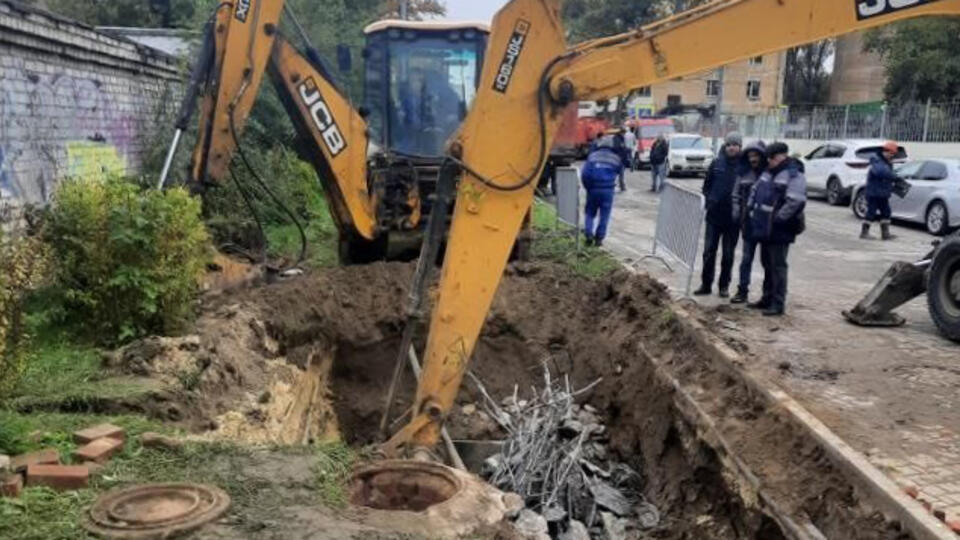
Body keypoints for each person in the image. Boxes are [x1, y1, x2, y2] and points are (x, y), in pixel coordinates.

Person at [746, 142, 807, 316]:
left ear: (782, 156)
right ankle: (766, 298)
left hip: (781, 228)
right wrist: (751, 207)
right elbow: (756, 188)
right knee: (767, 263)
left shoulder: (794, 174)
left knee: (778, 266)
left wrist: (779, 218)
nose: (769, 161)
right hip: (764, 227)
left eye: (772, 158)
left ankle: (778, 303)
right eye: (768, 158)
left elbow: (795, 201)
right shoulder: (768, 171)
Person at [694, 132, 743, 298]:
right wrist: (709, 201)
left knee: (728, 255)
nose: (731, 147)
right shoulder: (716, 163)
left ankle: (724, 286)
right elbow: (706, 185)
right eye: (729, 144)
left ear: (739, 147)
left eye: (735, 145)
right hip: (714, 217)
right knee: (709, 252)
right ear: (725, 146)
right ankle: (706, 284)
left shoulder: (744, 167)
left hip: (733, 220)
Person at [730, 141, 767, 304]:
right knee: (746, 259)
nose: (753, 158)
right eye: (751, 155)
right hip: (748, 224)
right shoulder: (743, 173)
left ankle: (767, 295)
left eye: (756, 155)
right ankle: (742, 290)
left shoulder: (768, 173)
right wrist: (736, 211)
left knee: (768, 262)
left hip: (766, 224)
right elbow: (736, 195)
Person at [581, 134, 626, 247]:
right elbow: (620, 170)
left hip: (593, 189)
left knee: (590, 213)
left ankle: (588, 234)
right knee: (604, 215)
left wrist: (588, 187)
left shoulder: (592, 157)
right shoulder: (615, 158)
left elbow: (585, 174)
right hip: (608, 190)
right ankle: (599, 238)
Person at [861, 141, 900, 240]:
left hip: (883, 193)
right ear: (885, 152)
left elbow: (887, 174)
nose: (892, 156)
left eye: (893, 154)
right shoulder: (877, 161)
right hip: (874, 193)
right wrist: (894, 177)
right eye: (891, 154)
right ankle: (864, 233)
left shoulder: (887, 162)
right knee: (871, 212)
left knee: (886, 212)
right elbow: (880, 172)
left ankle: (885, 234)